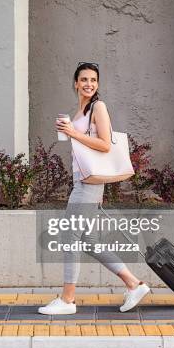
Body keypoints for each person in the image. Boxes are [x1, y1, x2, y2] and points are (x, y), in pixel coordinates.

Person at [38, 62, 150, 315]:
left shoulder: (98, 106)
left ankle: (67, 300)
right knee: (88, 240)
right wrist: (69, 131)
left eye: (93, 80)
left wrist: (73, 134)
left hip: (88, 185)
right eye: (84, 79)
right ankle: (134, 284)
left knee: (70, 237)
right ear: (75, 83)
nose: (89, 84)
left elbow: (104, 144)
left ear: (97, 84)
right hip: (82, 181)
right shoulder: (79, 112)